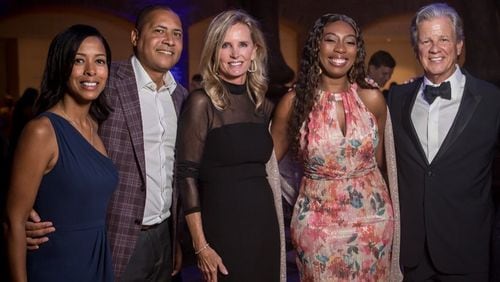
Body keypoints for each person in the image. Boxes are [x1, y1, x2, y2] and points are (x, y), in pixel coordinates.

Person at [23, 5, 189, 281]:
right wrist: (22, 213)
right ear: (135, 37)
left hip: (165, 238)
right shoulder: (105, 80)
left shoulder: (181, 97)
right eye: (159, 31)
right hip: (114, 238)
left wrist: (175, 239)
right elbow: (57, 137)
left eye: (177, 33)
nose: (169, 40)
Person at [271, 13, 402, 281]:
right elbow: (268, 165)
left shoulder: (372, 98)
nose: (340, 49)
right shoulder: (294, 102)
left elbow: (381, 164)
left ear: (357, 49)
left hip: (374, 224)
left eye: (349, 42)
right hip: (317, 230)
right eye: (331, 40)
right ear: (316, 46)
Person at [386, 3, 500, 281]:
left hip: (469, 252)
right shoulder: (396, 100)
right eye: (426, 40)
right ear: (417, 48)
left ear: (459, 45)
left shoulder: (492, 100)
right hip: (412, 258)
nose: (434, 48)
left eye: (443, 39)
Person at [176, 10, 285, 282]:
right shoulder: (201, 102)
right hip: (222, 232)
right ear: (214, 52)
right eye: (226, 45)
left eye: (242, 44)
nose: (235, 53)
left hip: (264, 228)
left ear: (254, 51)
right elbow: (186, 176)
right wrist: (200, 245)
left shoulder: (262, 104)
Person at [4, 24, 116, 281]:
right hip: (57, 265)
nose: (91, 70)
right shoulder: (42, 131)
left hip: (96, 260)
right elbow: (14, 222)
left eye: (99, 61)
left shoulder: (95, 127)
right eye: (78, 60)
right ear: (61, 67)